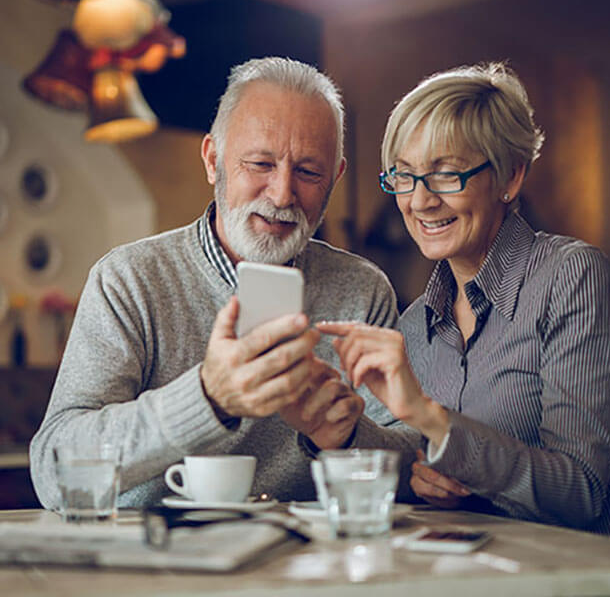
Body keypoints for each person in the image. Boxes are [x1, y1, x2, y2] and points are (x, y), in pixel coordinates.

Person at [320, 62, 610, 548]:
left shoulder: (572, 276)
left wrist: (433, 420)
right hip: (509, 562)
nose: (420, 200)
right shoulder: (415, 326)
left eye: (446, 174)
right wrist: (419, 473)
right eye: (405, 176)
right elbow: (441, 463)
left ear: (510, 177)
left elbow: (580, 492)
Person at [30, 57, 420, 509]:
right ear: (213, 160)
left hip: (304, 552)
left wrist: (347, 437)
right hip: (157, 548)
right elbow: (53, 472)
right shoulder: (128, 280)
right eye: (260, 163)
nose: (282, 194)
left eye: (309, 172)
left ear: (334, 178)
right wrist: (206, 397)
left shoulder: (362, 290)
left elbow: (417, 471)